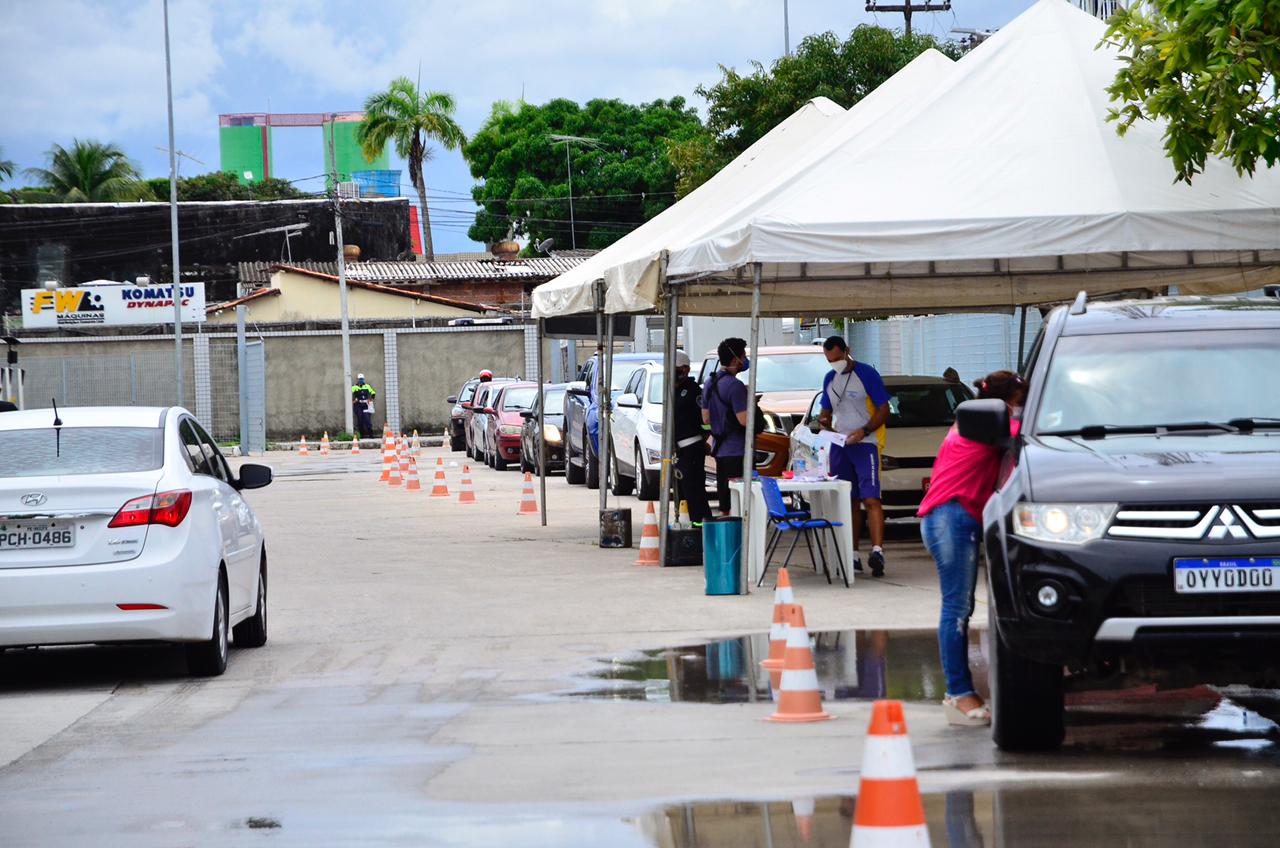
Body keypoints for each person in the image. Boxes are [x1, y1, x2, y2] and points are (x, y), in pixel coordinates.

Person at [917, 370, 1026, 727]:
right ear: (1009, 402)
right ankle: (958, 694)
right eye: (1020, 401)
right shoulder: (992, 426)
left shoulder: (974, 422)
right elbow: (1032, 436)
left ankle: (961, 692)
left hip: (954, 517)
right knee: (957, 607)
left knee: (960, 606)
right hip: (951, 517)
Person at [818, 336, 891, 577]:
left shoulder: (866, 374)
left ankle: (877, 551)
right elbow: (826, 408)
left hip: (866, 444)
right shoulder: (830, 378)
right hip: (840, 444)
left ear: (847, 351)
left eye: (837, 359)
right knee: (848, 500)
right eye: (830, 360)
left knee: (871, 498)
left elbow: (884, 408)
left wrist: (865, 430)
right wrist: (824, 420)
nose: (834, 364)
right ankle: (853, 554)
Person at [702, 337, 751, 515]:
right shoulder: (736, 386)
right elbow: (744, 420)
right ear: (734, 359)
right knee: (742, 498)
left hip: (720, 450)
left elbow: (705, 418)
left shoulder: (710, 383)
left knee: (726, 500)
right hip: (738, 450)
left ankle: (728, 535)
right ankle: (743, 537)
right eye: (743, 356)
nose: (745, 360)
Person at [671, 350, 712, 524]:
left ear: (686, 369)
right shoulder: (673, 391)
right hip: (677, 450)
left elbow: (705, 422)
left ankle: (702, 525)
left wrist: (704, 439)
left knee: (694, 491)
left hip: (691, 448)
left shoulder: (693, 392)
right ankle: (688, 524)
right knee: (682, 491)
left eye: (677, 369)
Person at [351, 373, 376, 439]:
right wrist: (353, 401)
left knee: (367, 420)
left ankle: (371, 434)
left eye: (362, 379)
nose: (361, 380)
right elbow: (349, 394)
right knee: (360, 420)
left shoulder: (367, 386)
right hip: (358, 405)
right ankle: (362, 435)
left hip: (366, 405)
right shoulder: (354, 387)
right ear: (357, 380)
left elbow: (373, 393)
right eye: (360, 379)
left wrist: (371, 399)